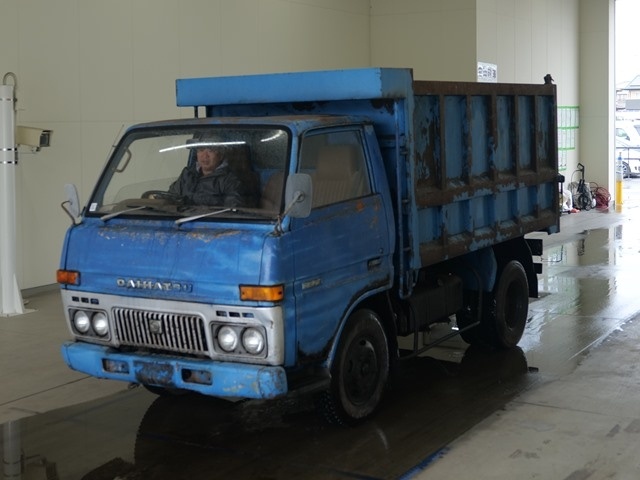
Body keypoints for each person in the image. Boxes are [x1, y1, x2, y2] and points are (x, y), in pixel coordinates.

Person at [169, 138, 244, 207]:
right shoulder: (187, 173)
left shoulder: (230, 180)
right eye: (201, 150)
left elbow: (231, 211)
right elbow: (170, 198)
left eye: (210, 150)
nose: (205, 156)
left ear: (220, 155)